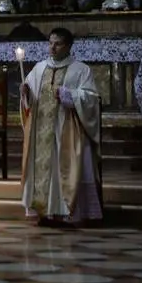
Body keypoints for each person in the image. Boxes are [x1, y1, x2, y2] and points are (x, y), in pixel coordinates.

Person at [20, 27, 102, 227]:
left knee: (64, 170)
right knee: (43, 171)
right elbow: (29, 101)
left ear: (69, 46)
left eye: (57, 44)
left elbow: (92, 99)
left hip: (66, 130)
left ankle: (66, 213)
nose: (53, 48)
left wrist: (69, 95)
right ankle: (45, 212)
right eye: (50, 43)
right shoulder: (39, 68)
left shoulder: (81, 69)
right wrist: (25, 93)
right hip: (41, 133)